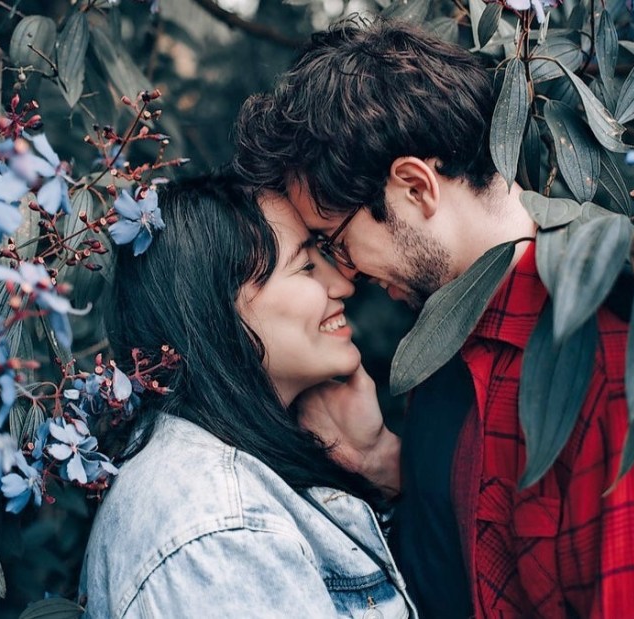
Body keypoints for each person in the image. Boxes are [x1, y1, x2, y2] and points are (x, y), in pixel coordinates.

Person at [233, 20, 634, 619]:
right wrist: (385, 464)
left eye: (334, 242)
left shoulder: (611, 372)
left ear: (414, 187)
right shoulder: (446, 344)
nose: (346, 276)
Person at [81, 176, 413, 617]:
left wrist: (376, 462)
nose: (343, 285)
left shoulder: (234, 480)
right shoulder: (218, 532)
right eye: (306, 266)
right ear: (218, 309)